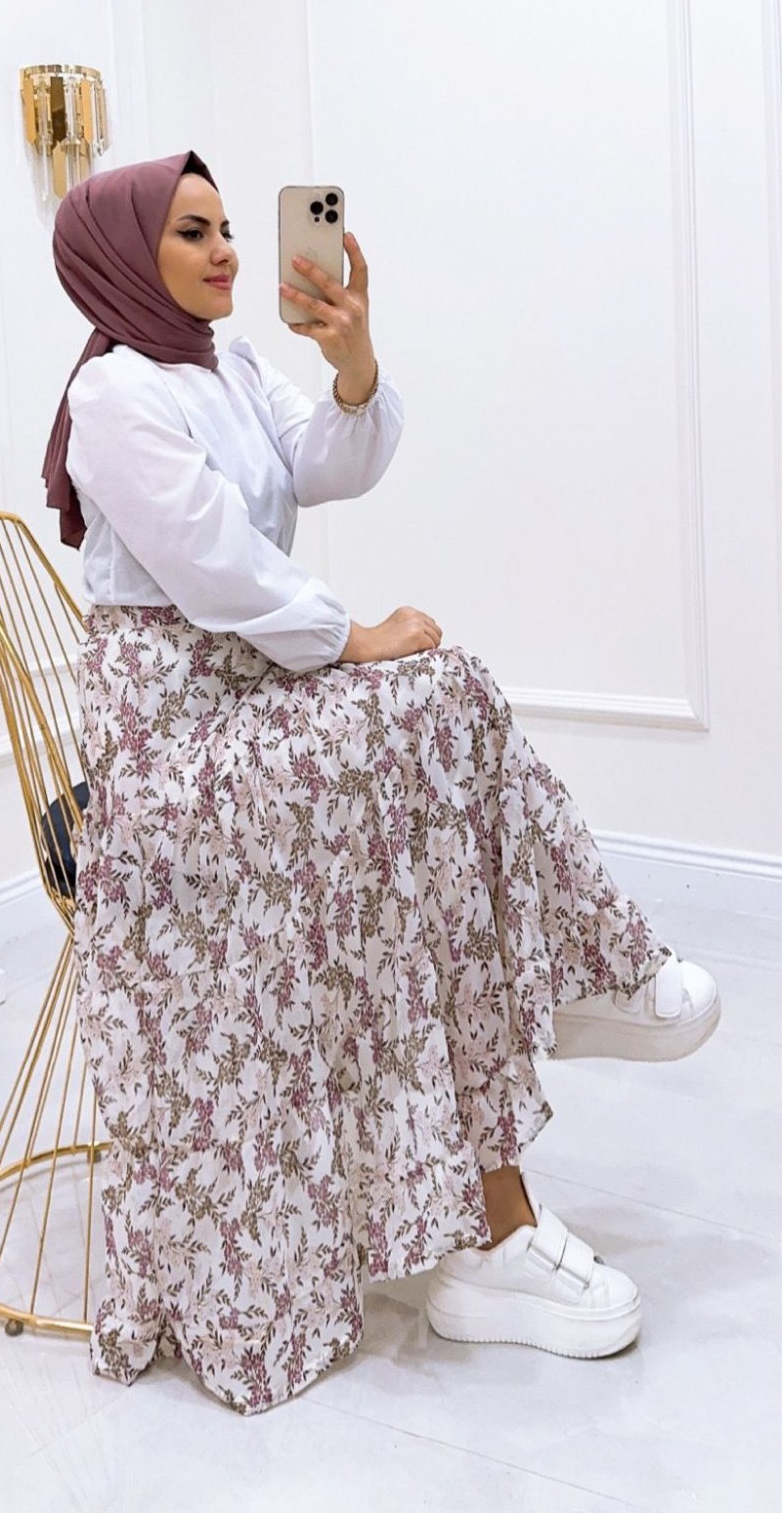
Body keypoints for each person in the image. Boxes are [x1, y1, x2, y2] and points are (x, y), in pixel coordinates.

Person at [41, 149, 720, 1416]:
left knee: (435, 702)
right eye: (191, 232)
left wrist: (352, 357)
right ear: (124, 255)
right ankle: (569, 981)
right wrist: (352, 637)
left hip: (258, 702)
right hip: (175, 754)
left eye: (227, 226)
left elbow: (329, 460)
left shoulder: (228, 364)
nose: (226, 250)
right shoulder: (114, 391)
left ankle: (564, 989)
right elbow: (213, 563)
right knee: (427, 691)